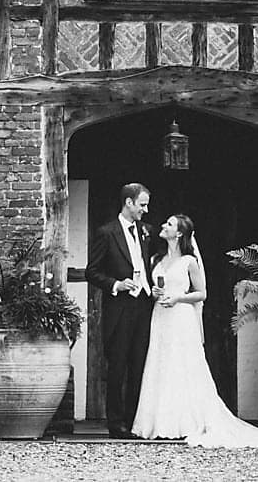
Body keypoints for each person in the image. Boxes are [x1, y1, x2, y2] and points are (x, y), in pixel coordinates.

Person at [132, 214, 258, 448]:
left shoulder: (189, 261)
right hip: (160, 316)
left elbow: (201, 293)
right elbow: (155, 287)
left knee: (183, 364)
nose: (163, 226)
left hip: (180, 316)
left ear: (179, 233)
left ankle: (185, 421)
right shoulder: (157, 259)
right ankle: (158, 422)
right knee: (160, 362)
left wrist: (178, 297)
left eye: (169, 224)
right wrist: (158, 294)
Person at [86, 182, 155, 438]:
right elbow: (91, 271)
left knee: (139, 366)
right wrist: (116, 284)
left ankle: (134, 421)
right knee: (117, 367)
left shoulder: (147, 231)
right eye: (142, 205)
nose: (145, 210)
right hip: (120, 308)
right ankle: (115, 424)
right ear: (128, 203)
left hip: (144, 305)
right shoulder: (106, 233)